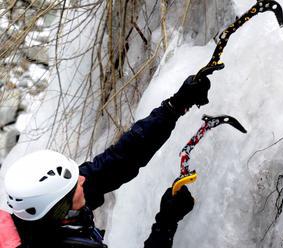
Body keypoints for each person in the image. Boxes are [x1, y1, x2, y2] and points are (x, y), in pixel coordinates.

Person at [1, 74, 210, 248]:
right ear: (59, 209)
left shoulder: (50, 208)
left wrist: (175, 106)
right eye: (74, 185)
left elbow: (120, 160)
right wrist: (165, 223)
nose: (82, 179)